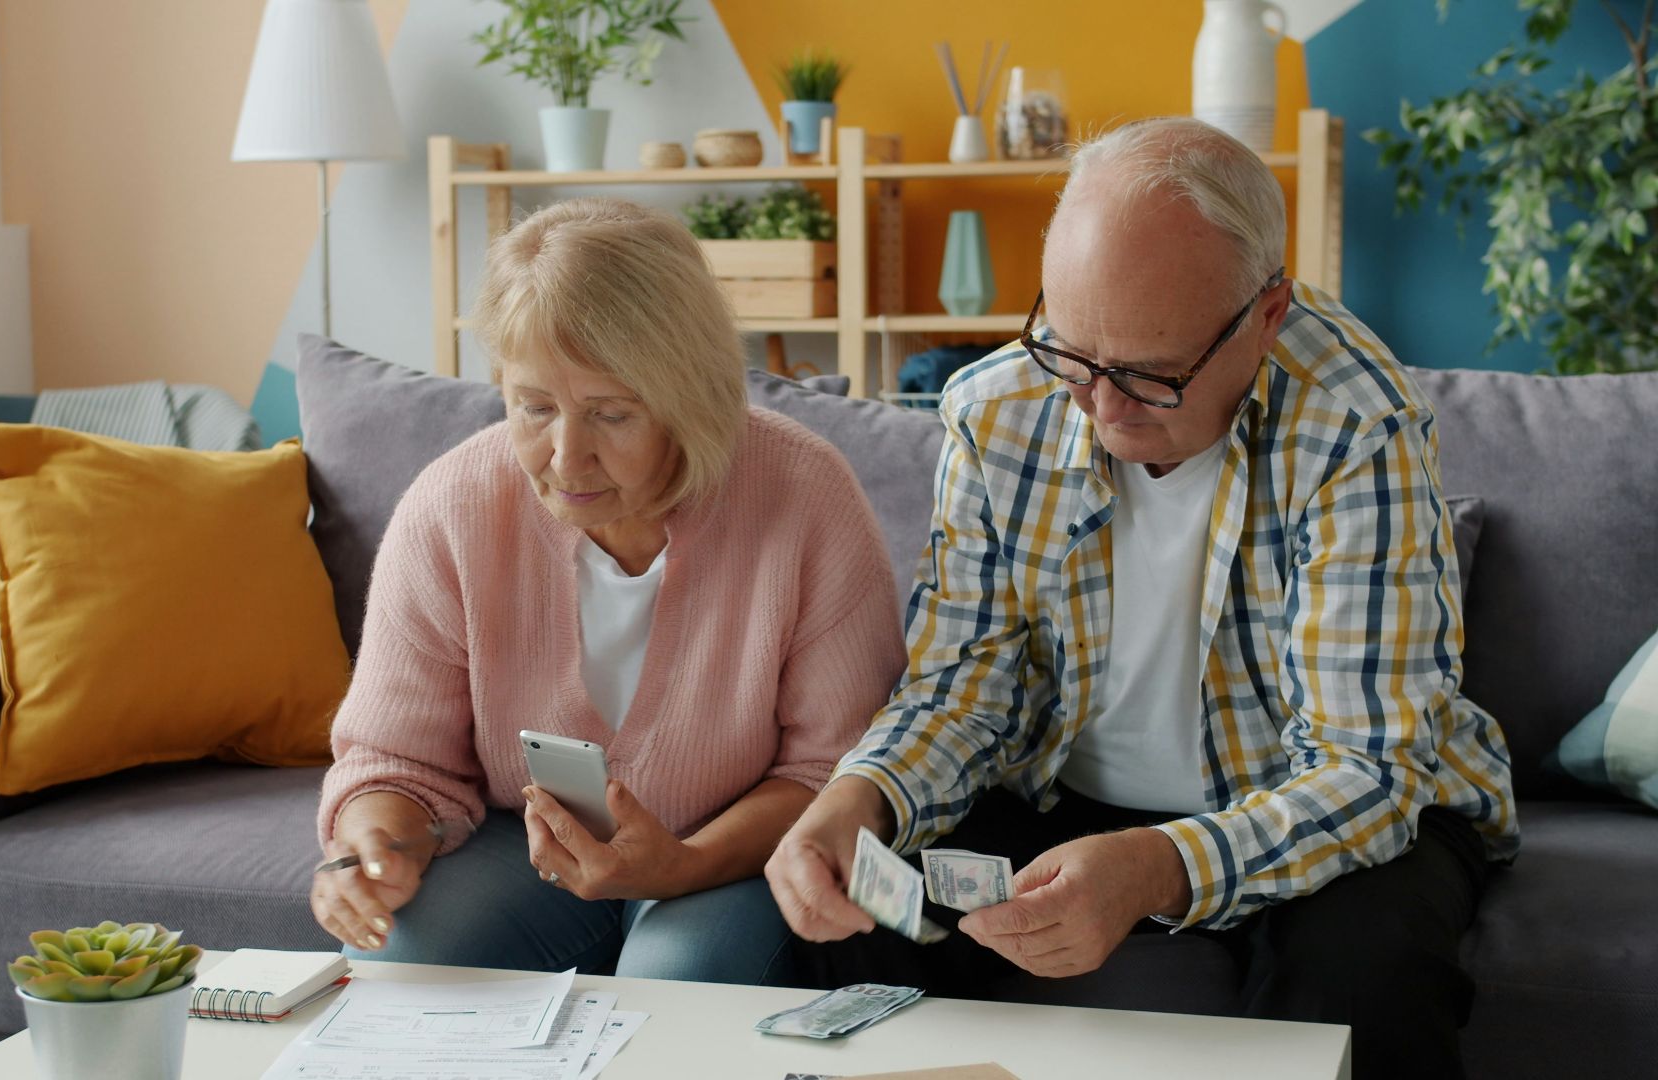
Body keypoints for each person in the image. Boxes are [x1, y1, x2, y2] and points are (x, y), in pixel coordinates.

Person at [765, 117, 1519, 1077]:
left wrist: (1161, 866)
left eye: (1151, 377)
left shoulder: (1357, 422)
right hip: (1065, 796)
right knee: (850, 917)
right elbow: (964, 688)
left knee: (1364, 981)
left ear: (1267, 313)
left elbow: (1368, 766)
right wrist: (861, 796)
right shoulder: (996, 408)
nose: (1103, 409)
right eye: (1072, 355)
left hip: (1335, 800)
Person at [310, 197, 906, 985]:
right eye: (534, 408)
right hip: (522, 848)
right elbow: (394, 759)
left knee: (674, 987)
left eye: (611, 414)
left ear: (688, 394)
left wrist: (682, 865)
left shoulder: (804, 494)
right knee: (398, 966)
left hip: (731, 852)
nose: (566, 457)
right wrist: (372, 847)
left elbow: (834, 772)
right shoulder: (452, 505)